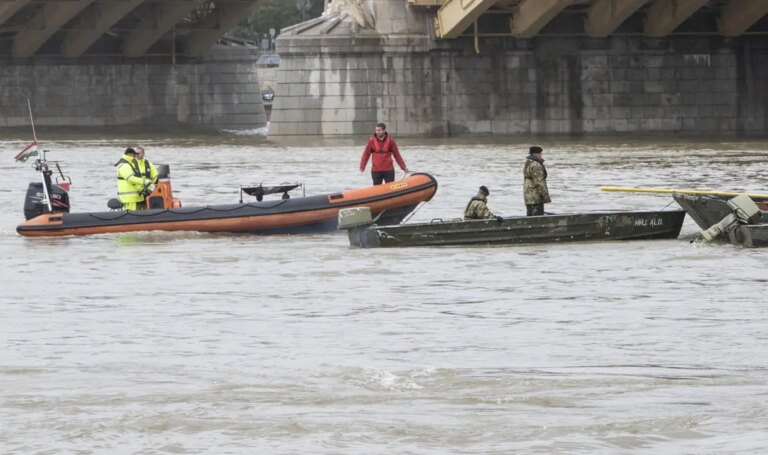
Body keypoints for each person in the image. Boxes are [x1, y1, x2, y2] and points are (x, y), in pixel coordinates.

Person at [115, 146, 158, 211]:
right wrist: (145, 181)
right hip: (130, 198)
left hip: (139, 196)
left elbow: (155, 177)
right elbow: (131, 179)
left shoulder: (129, 164)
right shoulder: (125, 165)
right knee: (132, 216)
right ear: (130, 154)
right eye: (134, 154)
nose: (135, 156)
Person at [523, 145, 550, 216]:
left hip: (528, 196)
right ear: (537, 154)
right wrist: (545, 196)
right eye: (541, 153)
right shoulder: (536, 165)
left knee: (530, 217)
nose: (541, 155)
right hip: (536, 197)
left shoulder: (528, 163)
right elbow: (539, 182)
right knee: (538, 218)